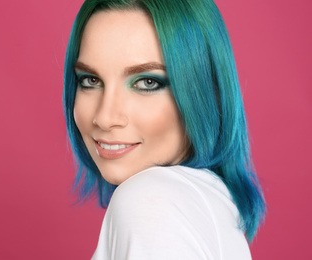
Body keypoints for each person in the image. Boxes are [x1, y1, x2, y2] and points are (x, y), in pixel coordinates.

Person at [63, 0, 266, 259]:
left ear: (206, 92)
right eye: (90, 80)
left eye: (147, 82)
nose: (105, 118)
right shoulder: (205, 199)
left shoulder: (151, 199)